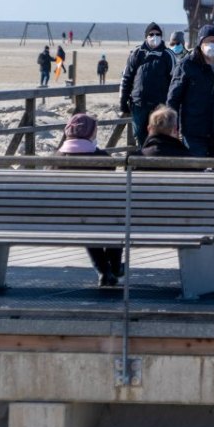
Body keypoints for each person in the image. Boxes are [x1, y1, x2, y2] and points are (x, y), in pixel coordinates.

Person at [55, 113, 121, 287]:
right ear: (92, 133)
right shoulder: (105, 160)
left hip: (60, 218)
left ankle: (104, 270)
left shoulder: (54, 160)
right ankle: (112, 268)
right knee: (114, 218)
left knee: (86, 219)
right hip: (98, 216)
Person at [166, 24, 214, 171]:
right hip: (194, 131)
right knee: (194, 171)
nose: (211, 45)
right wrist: (172, 125)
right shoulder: (186, 65)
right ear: (200, 43)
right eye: (207, 41)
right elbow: (173, 98)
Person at [119, 22, 177, 148]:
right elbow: (126, 78)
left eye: (157, 34)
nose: (154, 37)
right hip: (139, 104)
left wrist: (172, 104)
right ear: (146, 36)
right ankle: (142, 164)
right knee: (140, 135)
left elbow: (175, 81)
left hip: (160, 106)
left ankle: (158, 163)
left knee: (160, 136)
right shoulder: (137, 53)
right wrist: (123, 100)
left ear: (161, 37)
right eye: (151, 34)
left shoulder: (168, 55)